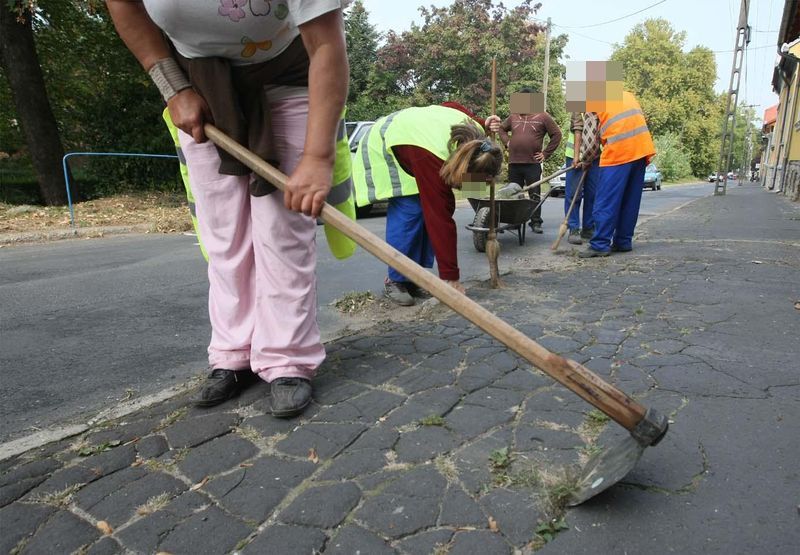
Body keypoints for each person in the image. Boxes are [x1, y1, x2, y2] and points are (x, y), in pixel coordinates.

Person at [106, 0, 356, 418]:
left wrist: (317, 157)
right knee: (225, 233)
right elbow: (124, 6)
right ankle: (233, 354)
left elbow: (327, 46)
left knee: (281, 230)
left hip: (292, 75)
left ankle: (287, 358)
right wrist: (174, 87)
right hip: (200, 86)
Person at [352, 103, 503, 306]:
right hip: (386, 144)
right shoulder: (432, 159)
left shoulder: (474, 133)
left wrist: (485, 123)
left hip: (416, 138)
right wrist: (451, 278)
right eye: (476, 181)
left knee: (426, 210)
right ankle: (396, 280)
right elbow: (440, 219)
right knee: (411, 210)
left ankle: (414, 277)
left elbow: (451, 105)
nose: (478, 186)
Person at [579, 90, 656, 257]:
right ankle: (623, 241)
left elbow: (590, 142)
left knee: (605, 200)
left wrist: (586, 161)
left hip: (619, 152)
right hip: (641, 151)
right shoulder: (627, 95)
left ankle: (600, 244)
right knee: (630, 200)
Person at [494, 87, 562, 234]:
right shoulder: (513, 116)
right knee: (513, 194)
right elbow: (501, 129)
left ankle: (536, 222)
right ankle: (515, 222)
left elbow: (557, 135)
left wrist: (545, 153)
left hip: (532, 163)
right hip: (514, 162)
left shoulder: (543, 116)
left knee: (534, 194)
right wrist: (507, 142)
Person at [563, 111, 601, 245]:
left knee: (593, 193)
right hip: (576, 154)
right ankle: (573, 228)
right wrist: (577, 157)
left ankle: (588, 228)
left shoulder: (603, 103)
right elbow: (578, 130)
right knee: (574, 193)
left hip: (596, 156)